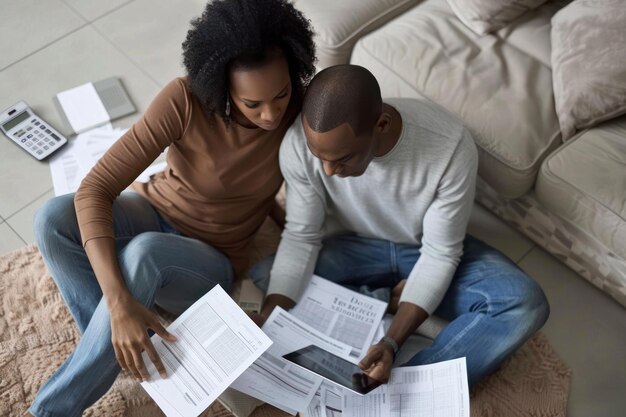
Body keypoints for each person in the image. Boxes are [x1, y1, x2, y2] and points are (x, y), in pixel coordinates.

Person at [28, 1, 315, 416]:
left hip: (211, 257)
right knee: (52, 218)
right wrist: (118, 302)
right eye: (252, 104)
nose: (271, 114)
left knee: (143, 253)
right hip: (156, 208)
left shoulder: (302, 112)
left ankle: (51, 410)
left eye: (281, 95)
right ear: (221, 89)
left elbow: (318, 184)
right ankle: (116, 341)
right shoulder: (185, 99)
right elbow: (96, 188)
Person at [250, 65, 549, 387]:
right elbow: (302, 236)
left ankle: (411, 388)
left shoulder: (449, 147)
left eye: (343, 158)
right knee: (270, 278)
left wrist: (392, 342)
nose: (329, 171)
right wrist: (269, 319)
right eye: (319, 157)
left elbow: (440, 253)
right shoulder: (298, 141)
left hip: (423, 249)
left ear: (381, 125)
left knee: (522, 302)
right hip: (356, 245)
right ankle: (388, 299)